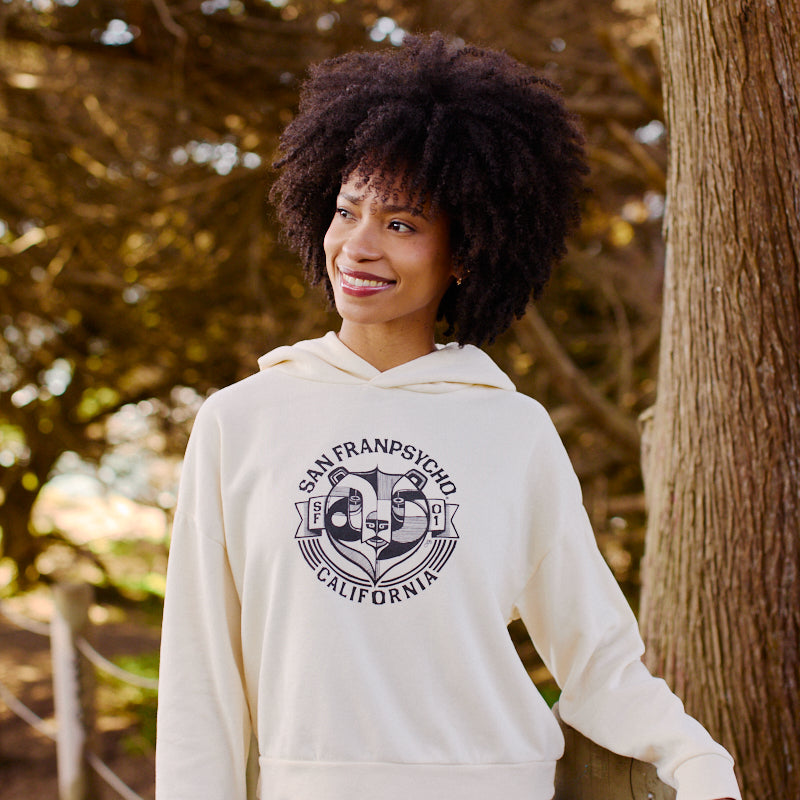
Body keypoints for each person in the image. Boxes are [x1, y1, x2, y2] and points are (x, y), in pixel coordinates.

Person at [155, 33, 742, 800]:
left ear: (464, 252)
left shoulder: (513, 430)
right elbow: (200, 674)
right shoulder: (240, 422)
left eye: (401, 224)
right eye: (346, 212)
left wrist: (698, 760)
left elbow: (594, 658)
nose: (357, 248)